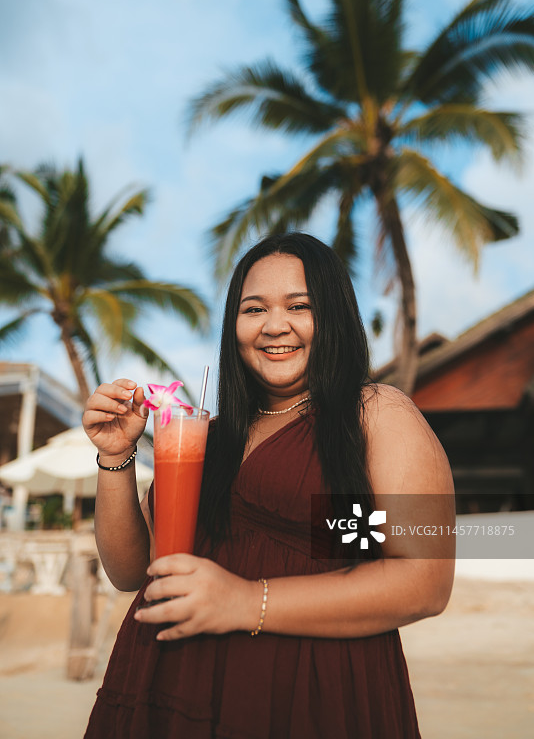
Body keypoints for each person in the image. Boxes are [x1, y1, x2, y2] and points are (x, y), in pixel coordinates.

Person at [82, 232, 454, 738]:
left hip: (306, 692)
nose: (275, 326)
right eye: (253, 309)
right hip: (168, 683)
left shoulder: (372, 416)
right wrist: (116, 456)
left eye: (299, 306)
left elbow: (422, 579)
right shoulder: (205, 439)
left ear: (334, 317)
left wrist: (243, 601)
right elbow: (131, 571)